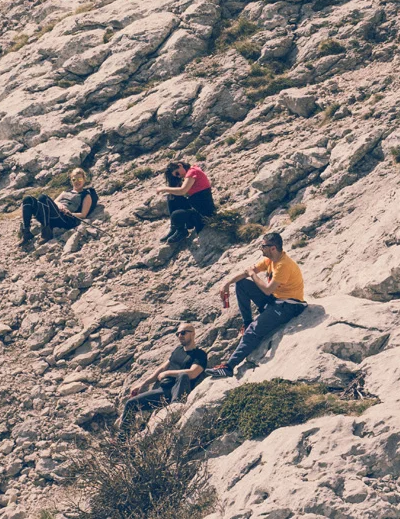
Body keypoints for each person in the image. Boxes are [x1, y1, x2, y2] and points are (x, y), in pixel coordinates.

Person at [206, 232, 305, 379]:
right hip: (275, 300)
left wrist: (253, 274)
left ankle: (229, 367)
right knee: (241, 284)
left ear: (273, 248)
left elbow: (267, 290)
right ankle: (247, 322)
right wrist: (227, 283)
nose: (261, 249)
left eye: (263, 246)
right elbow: (245, 273)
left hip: (289, 306)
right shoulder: (271, 260)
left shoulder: (283, 265)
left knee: (253, 331)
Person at [117, 323, 207, 427]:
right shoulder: (178, 350)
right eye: (177, 334)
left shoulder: (200, 354)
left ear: (193, 334)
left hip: (180, 390)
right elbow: (162, 368)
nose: (180, 336)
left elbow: (193, 373)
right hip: (164, 391)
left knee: (183, 375)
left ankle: (175, 408)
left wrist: (168, 373)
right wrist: (143, 384)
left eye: (183, 333)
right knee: (131, 404)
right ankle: (124, 435)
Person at [19, 167, 97, 247]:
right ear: (71, 180)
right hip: (53, 213)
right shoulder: (65, 192)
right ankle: (26, 232)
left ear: (84, 179)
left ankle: (46, 232)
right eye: (74, 179)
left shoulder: (85, 195)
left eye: (79, 179)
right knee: (28, 199)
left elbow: (83, 214)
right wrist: (59, 204)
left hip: (65, 218)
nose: (77, 181)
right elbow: (55, 201)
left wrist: (70, 213)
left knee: (43, 197)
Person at [155, 160, 216, 244]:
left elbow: (182, 191)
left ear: (180, 165)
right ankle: (175, 229)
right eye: (177, 176)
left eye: (177, 173)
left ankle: (181, 231)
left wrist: (163, 188)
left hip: (203, 214)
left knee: (176, 215)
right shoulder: (192, 171)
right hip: (198, 207)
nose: (179, 176)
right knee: (172, 198)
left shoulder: (192, 172)